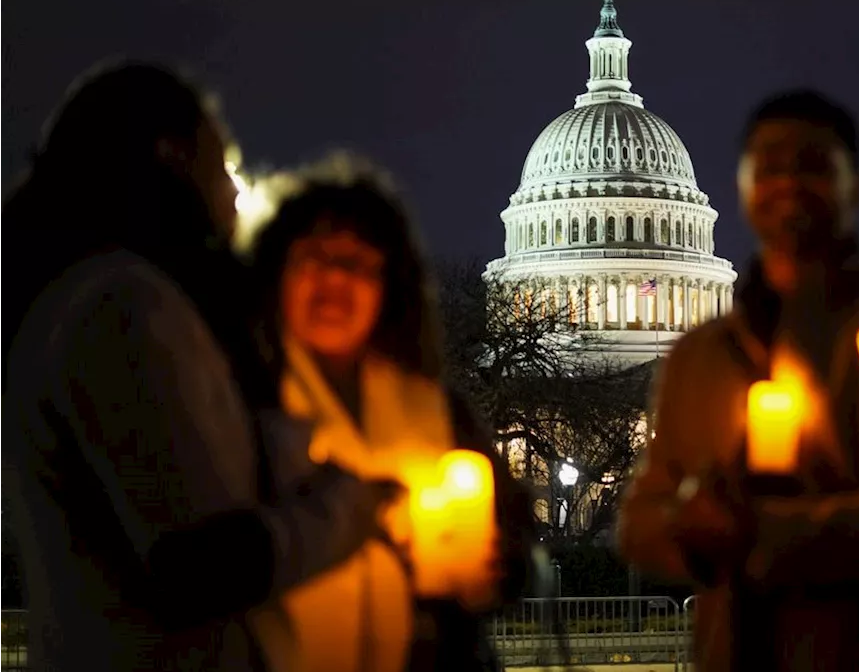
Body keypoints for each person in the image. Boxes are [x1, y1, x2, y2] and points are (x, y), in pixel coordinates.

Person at [0, 63, 400, 671]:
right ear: (173, 159)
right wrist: (351, 504)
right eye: (225, 164)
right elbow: (196, 566)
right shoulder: (123, 308)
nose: (236, 191)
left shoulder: (86, 300)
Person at [618, 90, 859, 672]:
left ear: (853, 185)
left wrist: (765, 532)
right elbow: (641, 524)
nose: (788, 182)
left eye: (812, 164)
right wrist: (689, 520)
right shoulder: (698, 357)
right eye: (769, 166)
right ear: (743, 190)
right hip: (742, 649)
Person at [248, 160, 539, 672]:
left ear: (390, 285)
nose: (336, 282)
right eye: (315, 259)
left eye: (357, 264)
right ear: (276, 273)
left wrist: (496, 567)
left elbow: (513, 547)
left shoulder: (438, 409)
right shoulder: (241, 401)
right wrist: (355, 511)